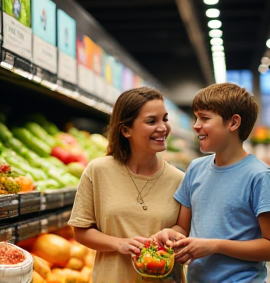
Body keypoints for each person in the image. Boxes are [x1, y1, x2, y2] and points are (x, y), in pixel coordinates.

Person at [153, 83, 270, 283]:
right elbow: (183, 228)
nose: (196, 125)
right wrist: (169, 234)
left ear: (233, 123)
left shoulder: (259, 177)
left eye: (205, 118)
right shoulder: (195, 169)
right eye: (196, 117)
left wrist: (215, 245)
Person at [68, 87, 185, 283]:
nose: (163, 127)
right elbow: (81, 232)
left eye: (165, 119)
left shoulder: (179, 180)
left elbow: (184, 229)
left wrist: (170, 234)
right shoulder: (98, 171)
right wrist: (118, 243)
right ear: (125, 130)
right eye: (151, 121)